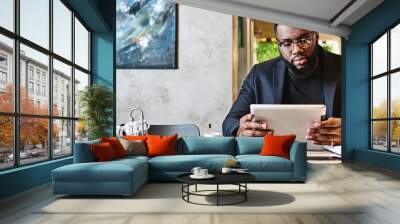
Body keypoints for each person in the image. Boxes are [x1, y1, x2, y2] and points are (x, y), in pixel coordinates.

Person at [222, 24, 341, 146]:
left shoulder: (347, 68)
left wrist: (350, 133)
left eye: (304, 40)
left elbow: (361, 123)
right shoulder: (260, 74)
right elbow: (229, 122)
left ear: (316, 35)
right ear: (278, 43)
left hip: (334, 159)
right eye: (286, 43)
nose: (296, 50)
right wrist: (239, 131)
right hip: (276, 159)